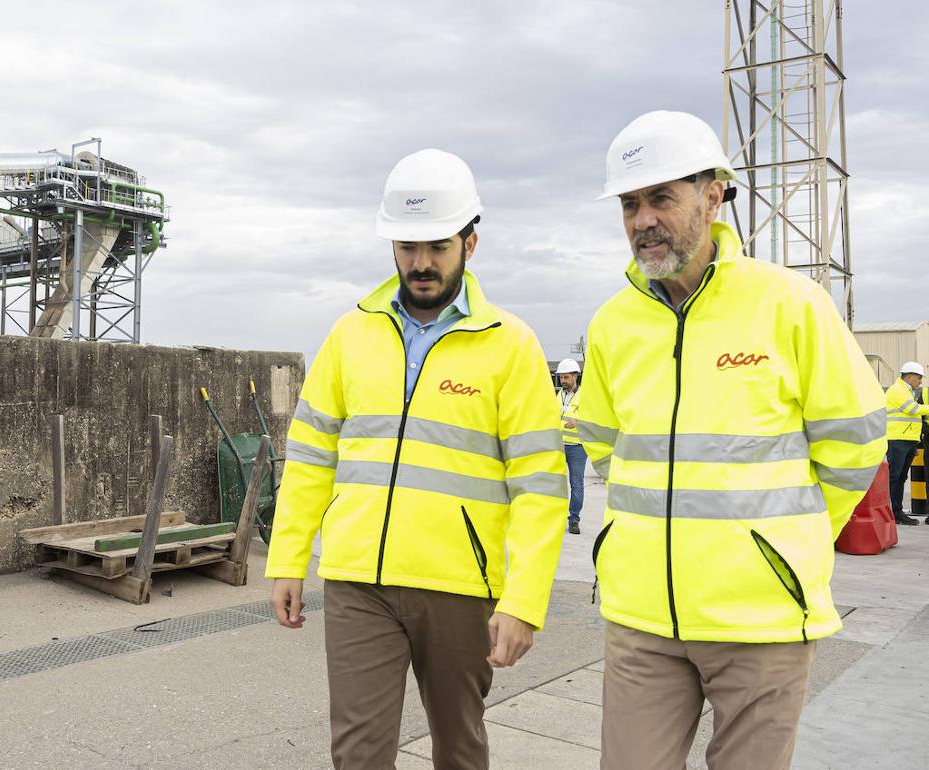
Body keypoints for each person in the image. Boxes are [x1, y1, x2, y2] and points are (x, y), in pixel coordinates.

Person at [577, 110, 886, 770]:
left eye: (661, 197)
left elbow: (856, 441)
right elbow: (606, 447)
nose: (642, 220)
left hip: (763, 620)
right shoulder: (611, 325)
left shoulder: (791, 305)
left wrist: (779, 540)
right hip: (642, 620)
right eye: (630, 204)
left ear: (713, 193)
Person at [266, 148, 567, 770]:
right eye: (407, 247)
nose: (421, 263)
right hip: (357, 582)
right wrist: (289, 558)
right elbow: (311, 454)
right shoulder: (351, 335)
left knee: (458, 750)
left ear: (470, 243)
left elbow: (541, 484)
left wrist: (525, 600)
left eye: (437, 246)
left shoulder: (510, 345)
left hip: (460, 586)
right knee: (357, 755)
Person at [885, 361, 929, 525]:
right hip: (897, 440)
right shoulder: (897, 390)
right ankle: (893, 512)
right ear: (909, 376)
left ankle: (897, 512)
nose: (920, 381)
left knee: (900, 477)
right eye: (918, 378)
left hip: (907, 440)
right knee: (894, 477)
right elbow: (912, 409)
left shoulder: (907, 390)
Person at [556, 358, 586, 534]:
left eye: (566, 377)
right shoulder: (559, 394)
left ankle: (574, 520)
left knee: (576, 484)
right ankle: (555, 517)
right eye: (561, 378)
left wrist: (579, 422)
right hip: (558, 445)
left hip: (577, 447)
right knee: (554, 484)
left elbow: (596, 419)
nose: (563, 381)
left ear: (576, 376)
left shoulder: (586, 396)